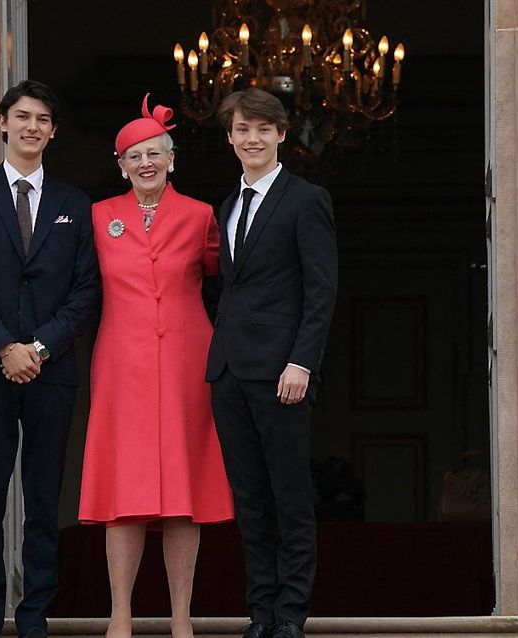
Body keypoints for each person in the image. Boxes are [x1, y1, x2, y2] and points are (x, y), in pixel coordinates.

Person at [0, 79, 100, 638]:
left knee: (42, 496)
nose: (32, 126)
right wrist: (5, 347)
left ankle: (35, 614)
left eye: (43, 119)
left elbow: (87, 290)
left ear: (53, 132)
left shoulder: (75, 205)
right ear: (3, 122)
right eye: (23, 116)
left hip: (51, 370)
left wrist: (36, 348)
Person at [78, 94, 234, 638]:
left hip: (189, 360)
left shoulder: (200, 215)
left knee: (181, 495)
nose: (145, 163)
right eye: (134, 155)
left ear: (173, 159)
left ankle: (181, 620)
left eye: (155, 153)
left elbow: (229, 280)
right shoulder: (98, 217)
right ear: (119, 165)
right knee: (124, 492)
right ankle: (119, 616)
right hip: (122, 361)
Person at [206, 88, 338, 638]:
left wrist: (301, 363)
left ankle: (290, 615)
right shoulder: (227, 205)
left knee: (290, 498)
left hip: (283, 373)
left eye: (263, 129)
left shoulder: (306, 199)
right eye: (242, 129)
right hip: (230, 372)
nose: (252, 138)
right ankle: (259, 612)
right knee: (250, 501)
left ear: (282, 135)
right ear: (231, 138)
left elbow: (321, 288)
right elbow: (225, 288)